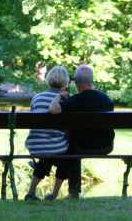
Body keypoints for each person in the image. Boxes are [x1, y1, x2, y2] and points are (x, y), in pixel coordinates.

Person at [49, 65, 115, 198]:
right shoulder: (106, 100)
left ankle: (74, 191)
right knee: (73, 147)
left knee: (72, 149)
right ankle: (72, 191)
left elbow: (54, 110)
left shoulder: (74, 101)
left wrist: (59, 97)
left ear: (76, 83)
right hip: (106, 146)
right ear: (91, 81)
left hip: (81, 148)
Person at [24, 65, 70, 201]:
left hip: (35, 145)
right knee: (65, 157)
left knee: (47, 157)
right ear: (65, 82)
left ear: (48, 79)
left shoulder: (36, 98)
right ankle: (54, 194)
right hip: (55, 146)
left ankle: (31, 192)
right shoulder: (65, 99)